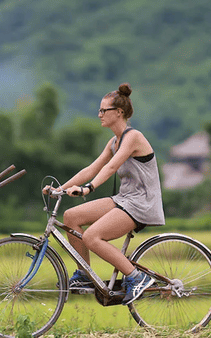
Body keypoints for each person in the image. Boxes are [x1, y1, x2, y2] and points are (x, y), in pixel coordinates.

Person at [45, 83, 165, 304]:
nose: (99, 114)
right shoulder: (114, 141)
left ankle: (136, 277)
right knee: (71, 216)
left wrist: (87, 189)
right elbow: (91, 169)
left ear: (118, 112)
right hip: (124, 200)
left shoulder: (133, 137)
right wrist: (59, 189)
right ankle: (84, 275)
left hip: (141, 203)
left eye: (103, 110)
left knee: (91, 236)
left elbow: (110, 169)